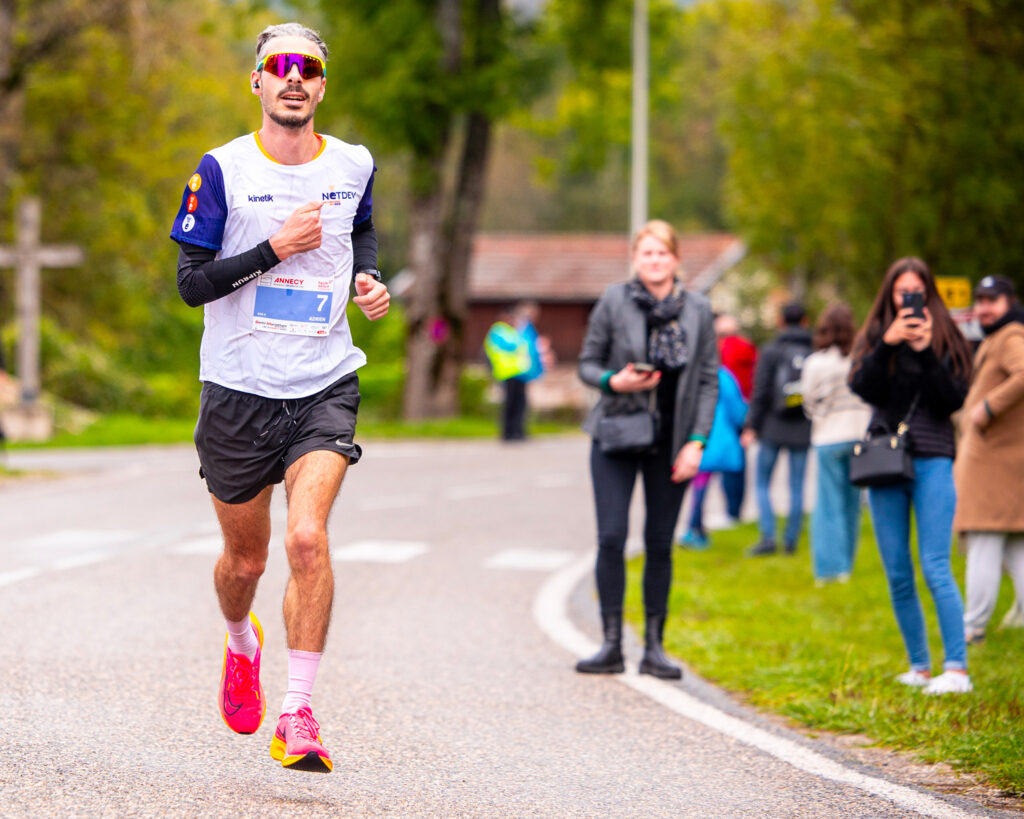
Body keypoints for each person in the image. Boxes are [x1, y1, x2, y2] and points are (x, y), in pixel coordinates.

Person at [169, 23, 391, 772]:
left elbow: (361, 234)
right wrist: (275, 250)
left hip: (324, 381)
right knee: (245, 560)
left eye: (308, 67)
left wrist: (367, 280)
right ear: (257, 82)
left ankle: (297, 710)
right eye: (278, 66)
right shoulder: (222, 169)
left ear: (323, 85)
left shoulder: (354, 164)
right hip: (237, 388)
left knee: (306, 539)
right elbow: (191, 284)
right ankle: (241, 642)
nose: (293, 78)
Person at [575, 219, 718, 679]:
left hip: (674, 443)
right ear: (635, 260)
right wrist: (611, 381)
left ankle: (654, 647)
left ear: (676, 259)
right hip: (616, 432)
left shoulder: (698, 309)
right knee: (611, 538)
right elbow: (587, 363)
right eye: (646, 254)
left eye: (662, 253)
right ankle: (612, 644)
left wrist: (696, 443)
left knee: (660, 543)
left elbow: (708, 380)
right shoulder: (615, 300)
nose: (654, 261)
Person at [850, 257, 973, 695]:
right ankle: (920, 666)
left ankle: (956, 668)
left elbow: (951, 400)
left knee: (936, 564)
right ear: (890, 295)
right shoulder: (876, 336)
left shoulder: (948, 338)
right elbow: (864, 389)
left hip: (933, 457)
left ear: (929, 294)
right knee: (897, 570)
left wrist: (924, 351)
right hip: (885, 461)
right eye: (901, 292)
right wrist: (887, 346)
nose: (908, 300)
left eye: (915, 292)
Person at [953, 275, 1024, 644]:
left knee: (983, 539)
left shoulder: (1011, 335)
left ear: (1009, 302)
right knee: (1014, 545)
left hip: (994, 463)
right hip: (1001, 461)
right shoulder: (999, 336)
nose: (983, 308)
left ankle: (973, 625)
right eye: (979, 300)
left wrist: (986, 408)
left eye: (991, 300)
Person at [800, 303, 872, 584]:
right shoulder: (861, 359)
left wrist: (822, 416)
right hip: (859, 437)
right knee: (851, 504)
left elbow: (808, 402)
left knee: (828, 505)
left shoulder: (816, 363)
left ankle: (829, 568)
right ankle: (846, 566)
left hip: (829, 437)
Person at [741, 302, 813, 556]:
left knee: (762, 482)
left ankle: (768, 537)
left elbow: (760, 391)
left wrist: (751, 425)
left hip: (772, 426)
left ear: (780, 321)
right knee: (797, 486)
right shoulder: (814, 350)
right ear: (805, 321)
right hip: (803, 427)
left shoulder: (771, 350)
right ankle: (791, 541)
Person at [678, 365, 747, 549]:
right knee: (703, 484)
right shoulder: (723, 376)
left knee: (699, 484)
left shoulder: (691, 372)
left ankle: (695, 528)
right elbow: (737, 409)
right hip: (716, 435)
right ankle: (695, 529)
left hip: (696, 435)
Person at [715, 314, 757, 516]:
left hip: (724, 410)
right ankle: (735, 508)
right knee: (738, 462)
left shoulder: (721, 351)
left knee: (721, 462)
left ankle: (729, 510)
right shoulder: (748, 348)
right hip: (745, 409)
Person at [484, 306, 531, 440]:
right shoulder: (499, 330)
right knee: (509, 404)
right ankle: (507, 432)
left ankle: (518, 431)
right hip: (507, 373)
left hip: (519, 373)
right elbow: (512, 346)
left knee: (519, 403)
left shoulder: (512, 332)